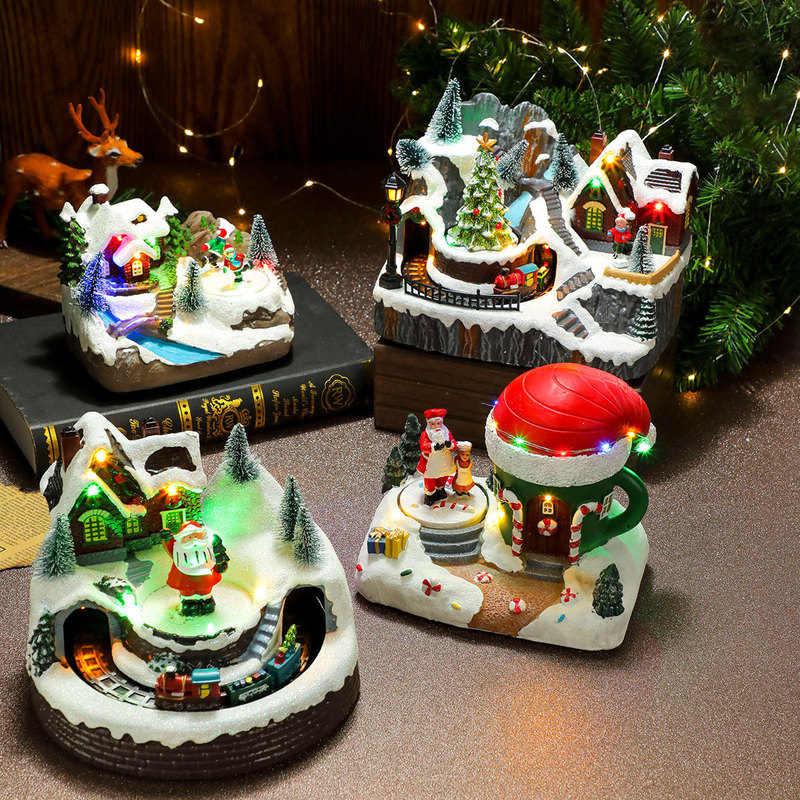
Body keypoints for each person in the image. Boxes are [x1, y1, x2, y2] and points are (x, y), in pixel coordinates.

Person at [162, 520, 227, 616]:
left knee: (206, 594)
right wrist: (166, 538)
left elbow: (218, 556)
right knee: (188, 597)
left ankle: (206, 599)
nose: (194, 540)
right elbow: (168, 544)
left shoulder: (208, 548)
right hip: (185, 581)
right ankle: (188, 601)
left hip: (206, 579)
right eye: (189, 537)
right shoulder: (178, 550)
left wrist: (221, 565)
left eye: (197, 536)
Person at [417, 408, 457, 505]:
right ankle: (430, 495)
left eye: (438, 423)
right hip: (431, 464)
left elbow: (454, 444)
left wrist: (450, 445)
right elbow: (423, 446)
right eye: (433, 424)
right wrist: (433, 447)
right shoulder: (426, 434)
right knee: (430, 480)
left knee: (443, 477)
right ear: (429, 424)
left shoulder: (446, 432)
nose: (436, 426)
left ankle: (440, 489)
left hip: (444, 462)